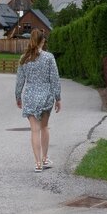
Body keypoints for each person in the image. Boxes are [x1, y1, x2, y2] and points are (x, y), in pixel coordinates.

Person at [15, 29, 62, 172]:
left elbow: (20, 81)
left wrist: (18, 96)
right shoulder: (49, 58)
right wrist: (58, 98)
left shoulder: (24, 59)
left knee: (34, 130)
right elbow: (54, 79)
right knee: (44, 127)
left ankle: (37, 163)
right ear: (42, 41)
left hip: (30, 96)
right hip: (46, 96)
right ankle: (45, 158)